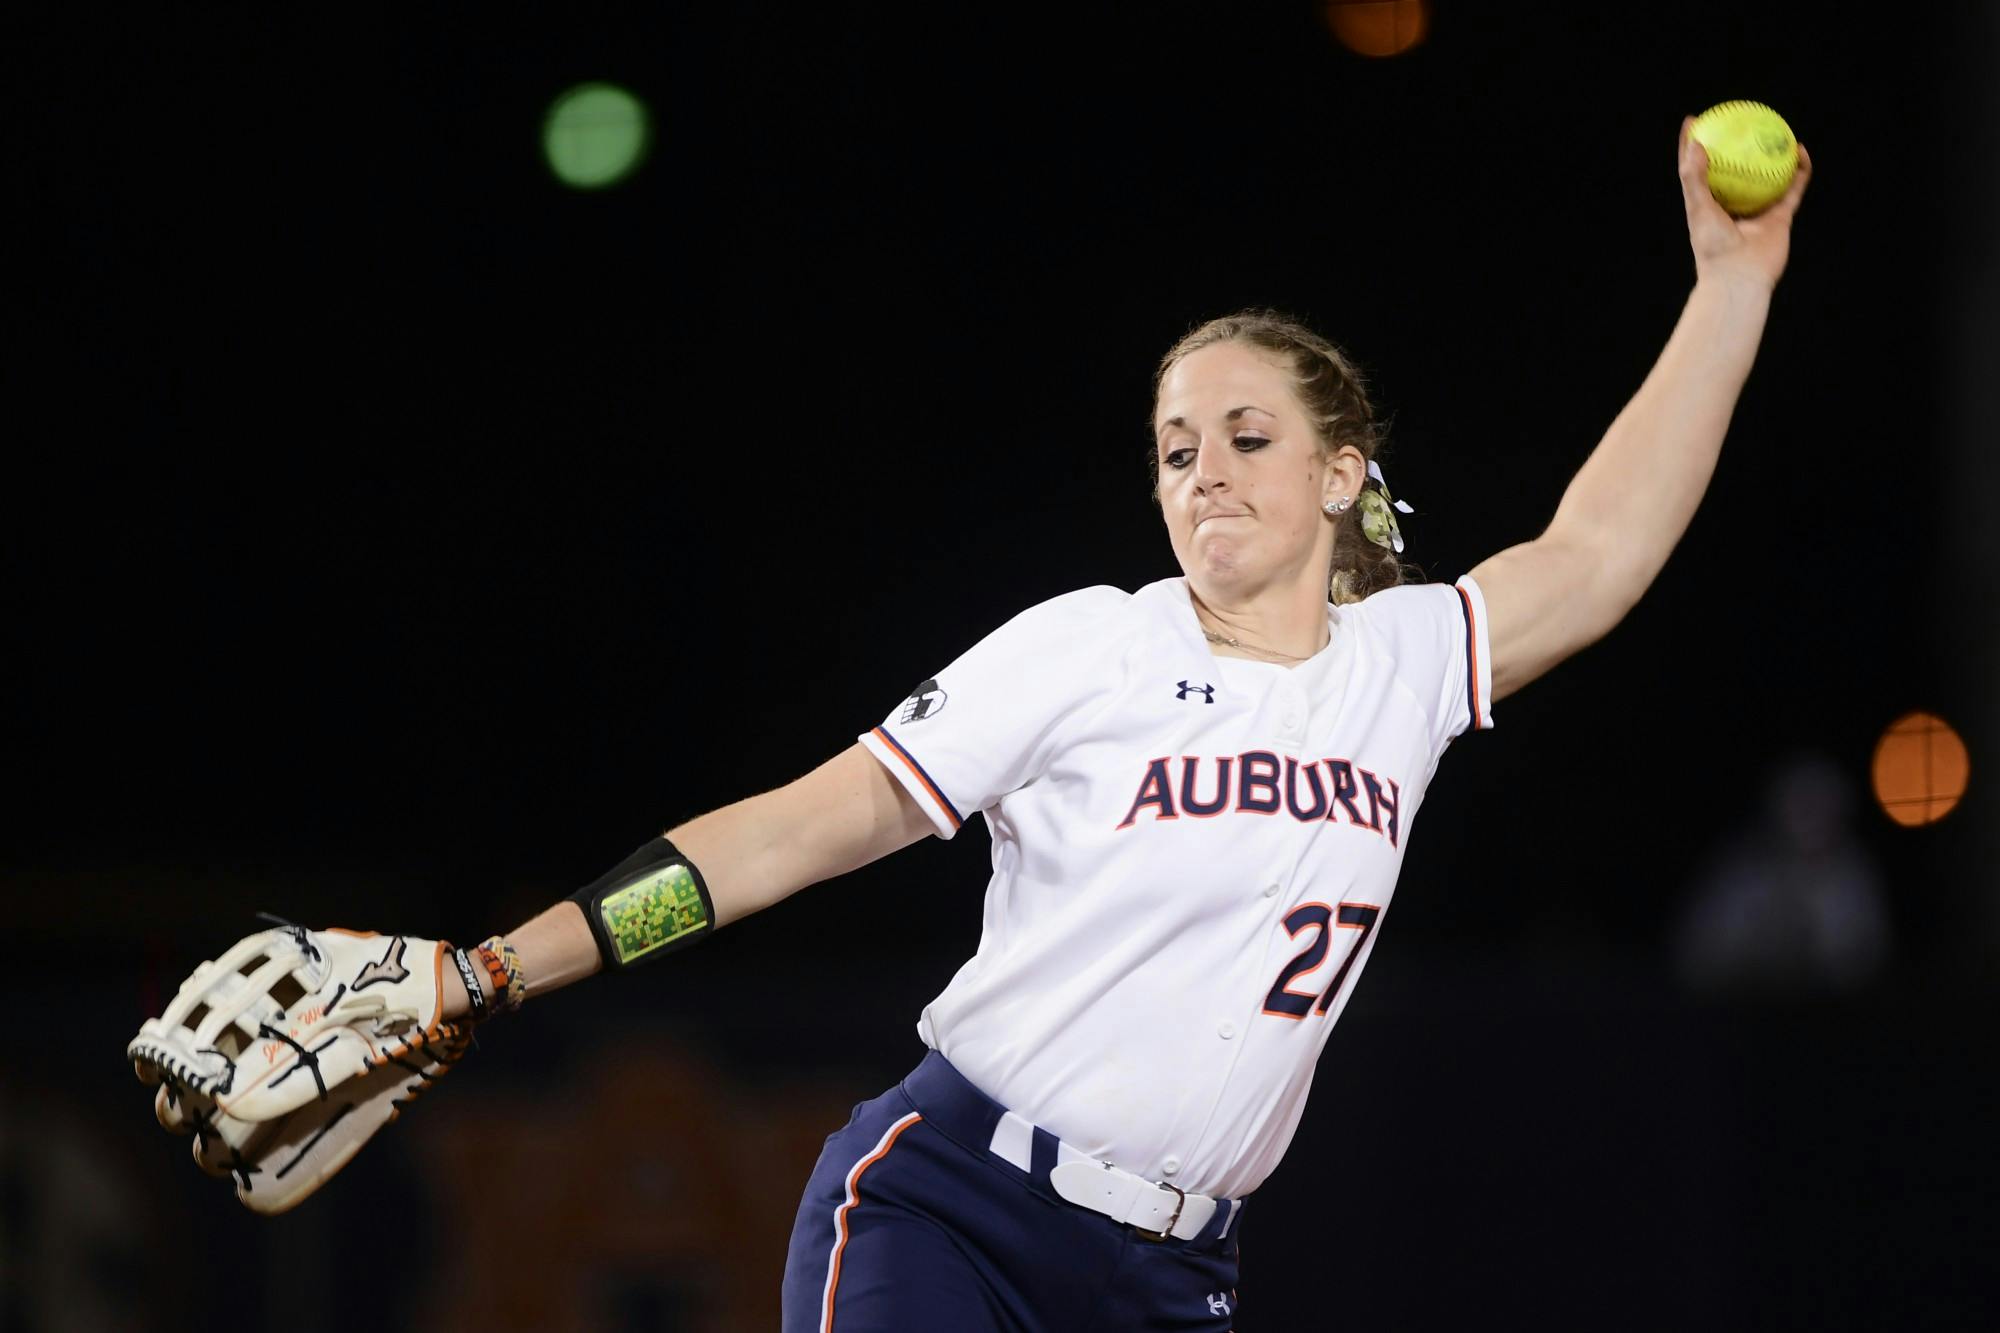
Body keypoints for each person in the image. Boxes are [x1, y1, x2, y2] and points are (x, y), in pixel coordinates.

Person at [159, 118, 1812, 1331]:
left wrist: (1731, 288)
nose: (1202, 471)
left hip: (1179, 1273)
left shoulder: (1396, 669)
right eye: (1174, 447)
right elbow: (805, 826)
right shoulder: (1089, 651)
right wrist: (499, 964)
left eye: (1246, 435)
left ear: (1339, 474)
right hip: (950, 1207)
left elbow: (1599, 555)